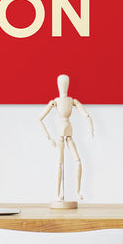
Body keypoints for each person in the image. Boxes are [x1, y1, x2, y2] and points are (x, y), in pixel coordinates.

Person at [38, 74, 94, 206]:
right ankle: (58, 194)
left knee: (78, 161)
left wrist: (90, 128)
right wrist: (48, 138)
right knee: (59, 163)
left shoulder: (72, 101)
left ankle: (78, 190)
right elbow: (39, 119)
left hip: (69, 134)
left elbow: (85, 114)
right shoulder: (55, 102)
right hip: (60, 136)